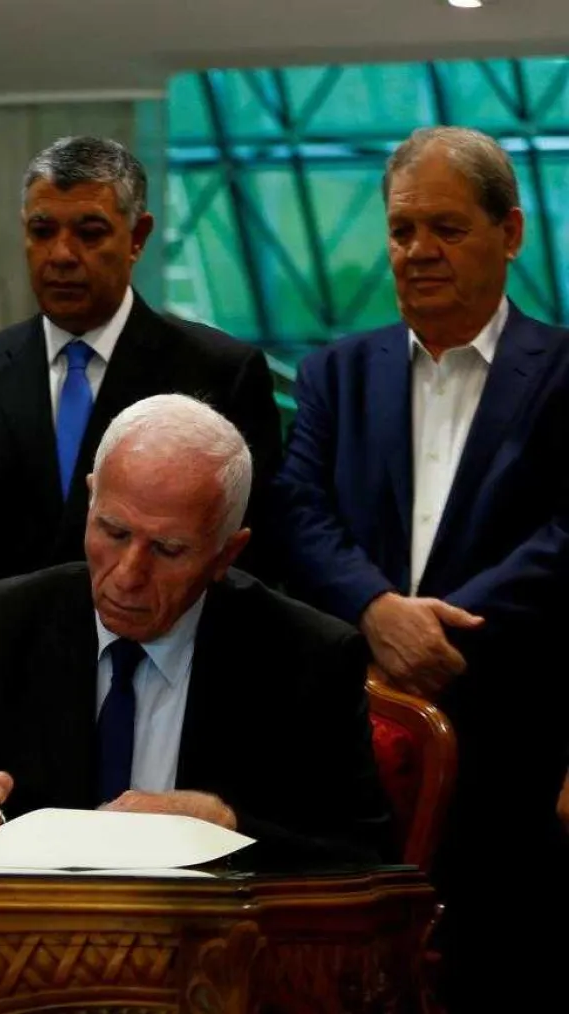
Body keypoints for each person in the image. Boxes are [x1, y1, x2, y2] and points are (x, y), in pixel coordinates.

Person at [273, 126, 569, 1009]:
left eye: (446, 228)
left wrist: (437, 622)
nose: (418, 252)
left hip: (514, 739)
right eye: (402, 230)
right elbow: (297, 508)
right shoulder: (336, 371)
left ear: (510, 232)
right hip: (354, 745)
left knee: (504, 969)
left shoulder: (563, 370)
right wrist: (376, 610)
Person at [0, 395, 390, 863]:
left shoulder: (307, 657)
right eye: (113, 532)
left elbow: (365, 858)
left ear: (227, 554)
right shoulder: (0, 624)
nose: (128, 574)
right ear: (91, 498)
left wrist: (224, 823)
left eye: (168, 549)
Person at [0, 136, 282, 711]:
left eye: (90, 232)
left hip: (164, 690)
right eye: (42, 231)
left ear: (138, 238)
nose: (62, 254)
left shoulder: (218, 374)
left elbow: (253, 556)